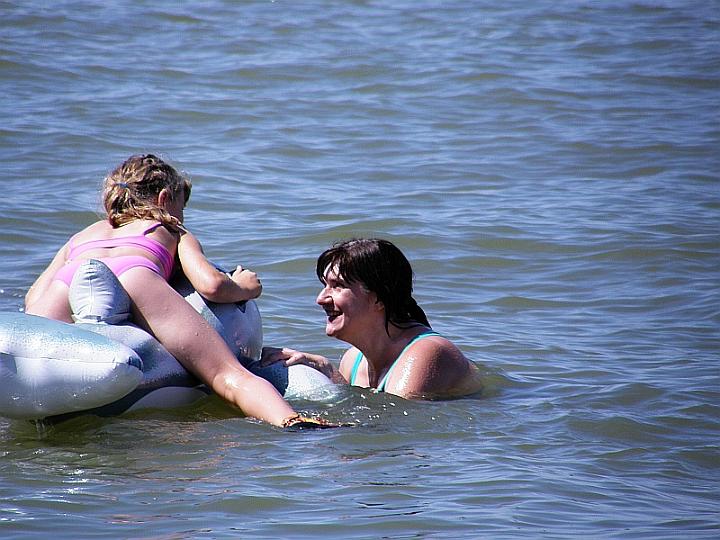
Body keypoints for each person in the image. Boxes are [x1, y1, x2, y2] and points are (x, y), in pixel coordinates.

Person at [25, 154, 331, 428]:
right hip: (136, 277)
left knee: (31, 357)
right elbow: (211, 285)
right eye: (182, 207)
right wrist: (245, 287)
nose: (182, 216)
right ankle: (291, 420)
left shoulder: (81, 236)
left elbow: (33, 297)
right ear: (164, 198)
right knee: (227, 375)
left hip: (70, 279)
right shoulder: (169, 227)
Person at [262, 238, 483, 400]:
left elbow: (397, 423)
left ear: (378, 298)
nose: (320, 299)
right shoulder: (353, 359)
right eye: (324, 285)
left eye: (337, 286)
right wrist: (323, 367)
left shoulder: (426, 353)